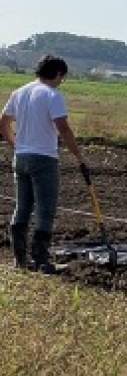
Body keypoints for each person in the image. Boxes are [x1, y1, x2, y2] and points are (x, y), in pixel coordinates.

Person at [0, 55, 89, 273]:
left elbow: (3, 122)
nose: (62, 81)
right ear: (58, 74)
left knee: (22, 207)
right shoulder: (52, 95)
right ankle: (42, 261)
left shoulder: (19, 92)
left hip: (21, 158)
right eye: (63, 77)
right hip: (44, 159)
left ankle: (19, 260)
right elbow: (64, 128)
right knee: (46, 209)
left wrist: (15, 144)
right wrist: (79, 157)